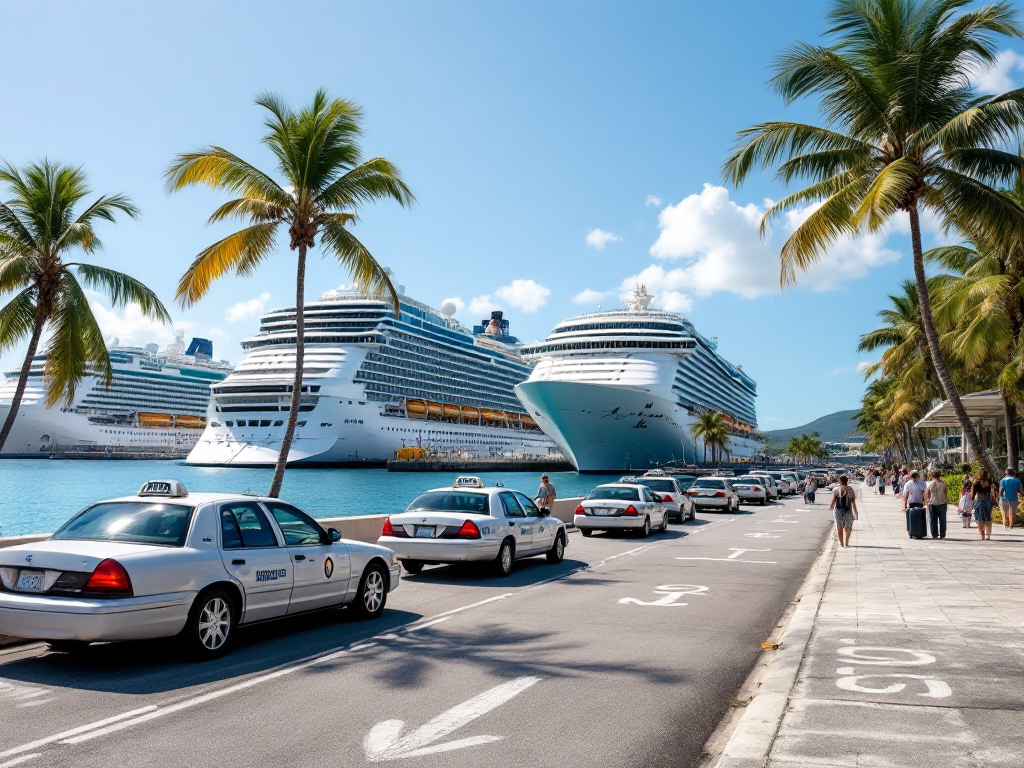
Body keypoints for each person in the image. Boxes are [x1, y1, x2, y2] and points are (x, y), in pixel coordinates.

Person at [829, 474, 858, 548]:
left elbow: (834, 500)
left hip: (837, 510)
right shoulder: (850, 489)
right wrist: (856, 513)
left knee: (839, 527)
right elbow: (853, 502)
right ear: (847, 481)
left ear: (840, 481)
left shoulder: (836, 490)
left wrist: (831, 507)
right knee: (848, 527)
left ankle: (842, 543)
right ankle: (846, 542)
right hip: (847, 510)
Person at [902, 470, 929, 538]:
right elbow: (906, 495)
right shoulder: (908, 484)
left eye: (915, 475)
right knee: (910, 518)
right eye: (913, 475)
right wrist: (904, 505)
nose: (914, 476)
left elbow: (924, 493)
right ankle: (911, 531)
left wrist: (925, 503)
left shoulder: (921, 483)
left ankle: (920, 532)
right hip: (911, 503)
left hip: (919, 503)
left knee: (920, 518)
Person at [971, 470, 996, 541]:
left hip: (979, 502)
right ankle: (988, 534)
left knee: (979, 519)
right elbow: (993, 493)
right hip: (987, 502)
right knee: (987, 518)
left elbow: (972, 495)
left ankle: (982, 533)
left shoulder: (976, 483)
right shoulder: (990, 483)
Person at [924, 471, 948, 540]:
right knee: (942, 520)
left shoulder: (930, 484)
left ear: (932, 476)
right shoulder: (943, 484)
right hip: (942, 503)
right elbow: (945, 493)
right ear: (940, 476)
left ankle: (934, 534)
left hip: (932, 503)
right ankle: (942, 534)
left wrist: (927, 500)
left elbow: (926, 493)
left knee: (933, 519)